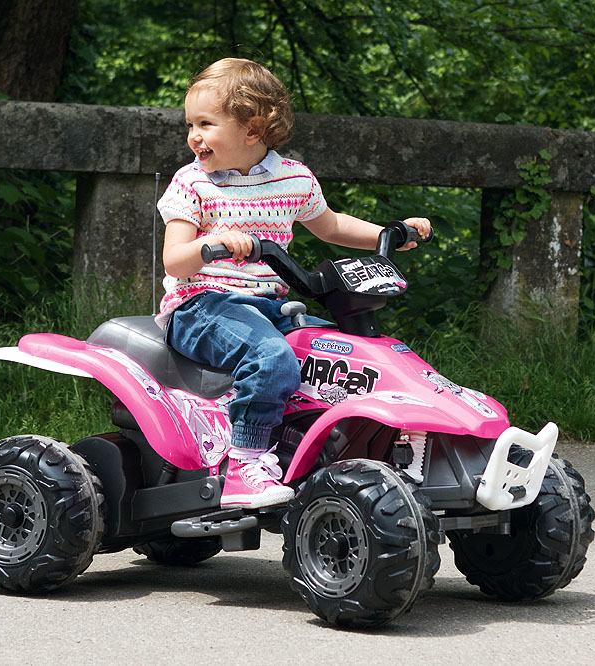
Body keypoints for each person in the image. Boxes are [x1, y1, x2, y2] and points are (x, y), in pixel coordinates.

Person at [156, 57, 431, 509]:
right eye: (191, 124)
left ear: (252, 128)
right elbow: (175, 259)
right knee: (271, 358)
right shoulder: (192, 184)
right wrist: (215, 244)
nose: (193, 137)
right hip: (201, 304)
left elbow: (332, 226)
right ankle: (244, 463)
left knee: (343, 356)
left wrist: (389, 233)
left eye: (206, 123)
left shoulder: (293, 178)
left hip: (269, 304)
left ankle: (335, 450)